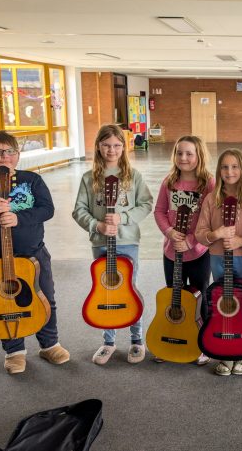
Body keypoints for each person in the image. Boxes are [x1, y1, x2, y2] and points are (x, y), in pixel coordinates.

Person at [0, 130, 70, 374]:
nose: (4, 157)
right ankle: (14, 351)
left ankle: (49, 344)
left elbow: (47, 209)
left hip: (32, 255)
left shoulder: (32, 180)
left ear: (17, 156)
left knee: (45, 297)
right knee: (2, 304)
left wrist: (18, 217)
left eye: (9, 151)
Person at [72, 124, 153, 365]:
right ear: (98, 146)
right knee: (105, 289)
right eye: (106, 145)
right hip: (100, 243)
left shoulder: (133, 176)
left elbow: (146, 204)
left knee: (129, 288)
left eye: (117, 145)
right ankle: (108, 341)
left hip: (127, 242)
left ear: (124, 147)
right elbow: (79, 210)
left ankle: (137, 339)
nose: (112, 150)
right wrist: (97, 226)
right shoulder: (89, 178)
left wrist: (123, 218)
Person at [195, 148, 242, 376]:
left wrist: (240, 240)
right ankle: (227, 351)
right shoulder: (211, 199)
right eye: (225, 167)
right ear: (219, 170)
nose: (229, 171)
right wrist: (216, 234)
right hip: (217, 258)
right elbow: (200, 233)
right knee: (223, 304)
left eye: (235, 166)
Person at [154, 135, 214, 366]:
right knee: (173, 297)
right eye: (179, 153)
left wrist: (191, 241)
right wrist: (169, 232)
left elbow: (210, 219)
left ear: (199, 156)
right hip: (171, 252)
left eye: (189, 153)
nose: (183, 158)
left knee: (202, 298)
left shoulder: (208, 183)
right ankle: (171, 338)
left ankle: (202, 343)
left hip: (198, 252)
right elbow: (159, 211)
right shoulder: (169, 182)